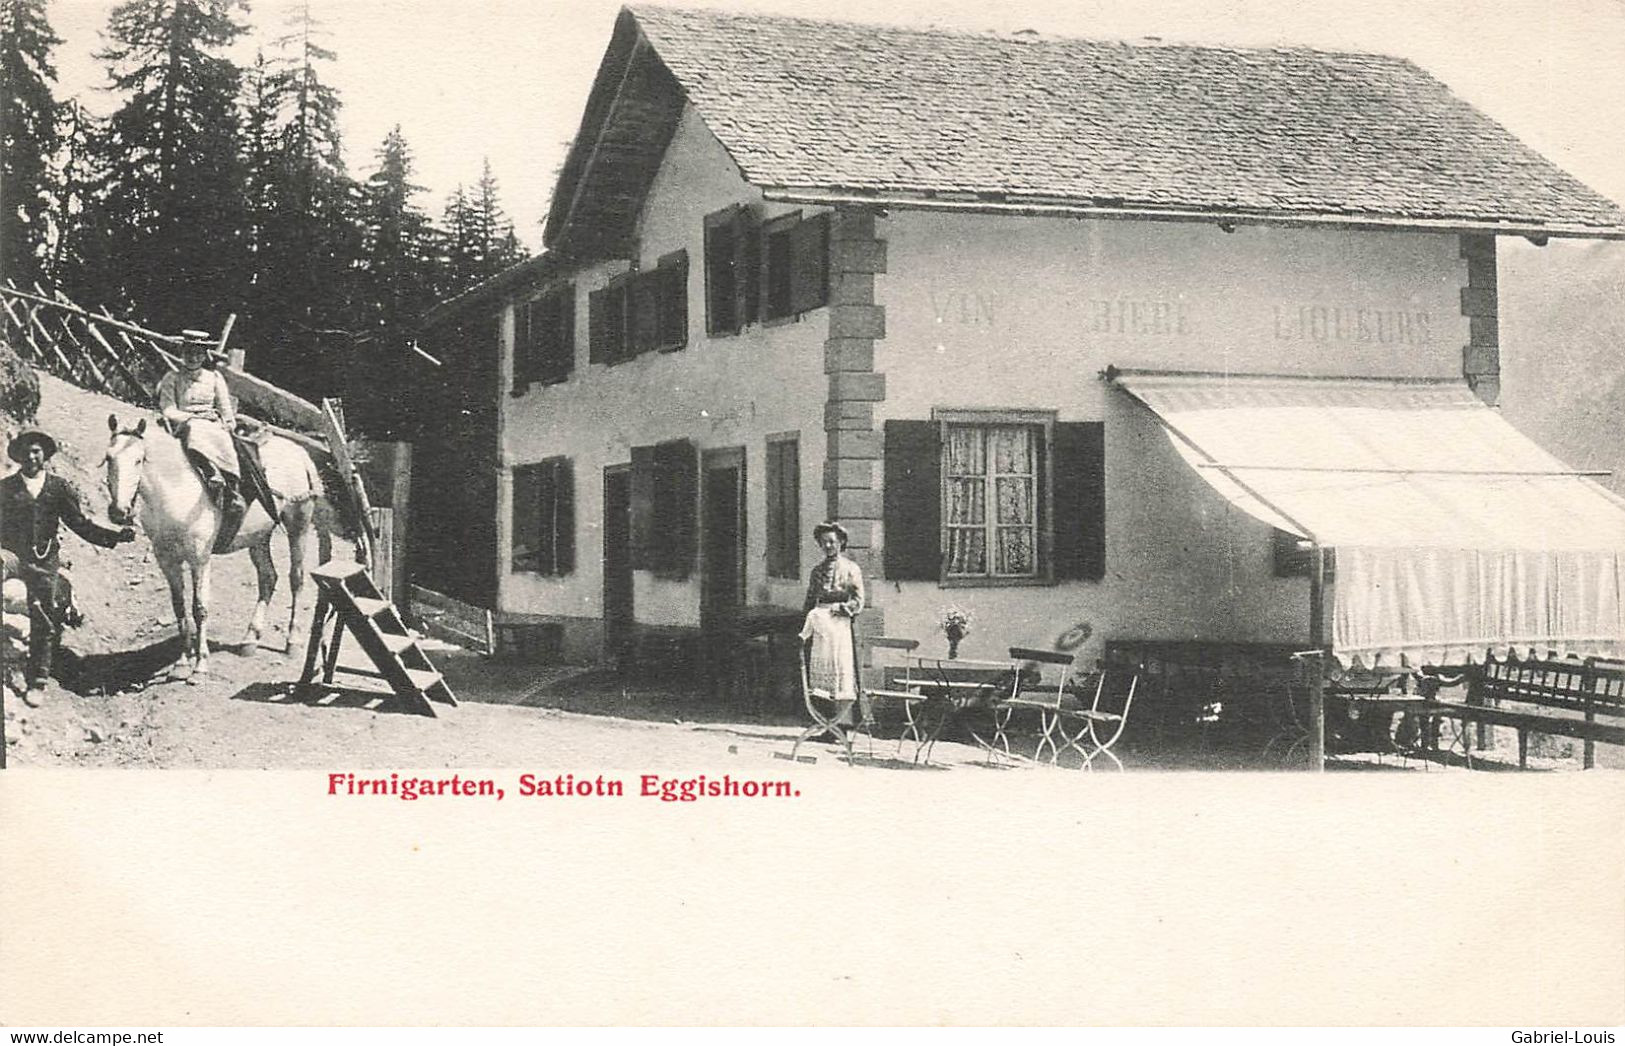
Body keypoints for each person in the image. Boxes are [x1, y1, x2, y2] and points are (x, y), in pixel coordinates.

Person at [0, 428, 135, 706]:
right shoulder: (5, 488)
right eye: (26, 450)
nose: (31, 456)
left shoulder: (58, 487)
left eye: (36, 450)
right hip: (12, 555)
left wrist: (114, 537)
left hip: (44, 560)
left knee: (42, 614)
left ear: (45, 455)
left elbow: (80, 524)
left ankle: (37, 680)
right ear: (18, 456)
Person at [156, 333, 243, 516]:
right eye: (189, 353)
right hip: (185, 424)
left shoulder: (214, 378)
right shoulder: (172, 378)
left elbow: (225, 407)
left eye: (198, 354)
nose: (193, 358)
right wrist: (189, 418)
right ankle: (210, 471)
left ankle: (233, 490)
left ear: (205, 356)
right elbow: (168, 409)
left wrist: (228, 422)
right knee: (195, 430)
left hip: (212, 422)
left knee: (226, 439)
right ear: (182, 354)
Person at [798, 520, 866, 727]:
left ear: (841, 542)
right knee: (821, 674)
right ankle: (822, 724)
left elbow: (858, 599)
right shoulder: (817, 571)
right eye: (823, 542)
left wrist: (842, 609)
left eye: (832, 542)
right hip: (821, 629)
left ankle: (843, 724)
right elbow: (810, 600)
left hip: (841, 627)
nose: (827, 546)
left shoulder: (851, 569)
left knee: (842, 670)